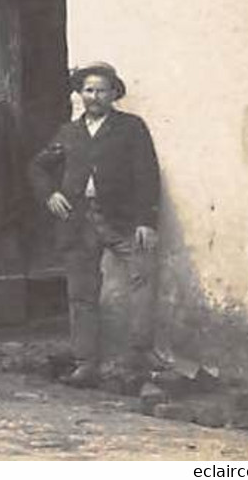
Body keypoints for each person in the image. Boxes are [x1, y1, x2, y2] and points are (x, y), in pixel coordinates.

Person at [29, 61, 160, 388]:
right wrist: (50, 194)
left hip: (122, 220)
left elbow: (147, 174)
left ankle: (139, 357)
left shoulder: (131, 128)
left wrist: (146, 221)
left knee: (142, 280)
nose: (95, 96)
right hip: (78, 223)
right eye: (88, 90)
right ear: (80, 94)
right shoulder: (68, 133)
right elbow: (37, 167)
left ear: (114, 93)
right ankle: (85, 364)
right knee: (81, 293)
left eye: (102, 90)